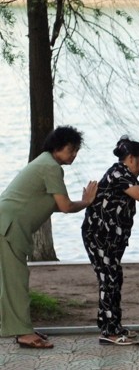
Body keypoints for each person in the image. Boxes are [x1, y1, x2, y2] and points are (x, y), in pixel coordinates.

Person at [0, 126, 97, 349]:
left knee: (11, 280)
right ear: (57, 148)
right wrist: (87, 202)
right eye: (71, 149)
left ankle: (21, 328)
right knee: (15, 281)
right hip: (9, 227)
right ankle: (23, 333)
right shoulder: (51, 167)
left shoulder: (44, 163)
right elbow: (64, 206)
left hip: (8, 225)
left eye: (76, 151)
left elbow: (47, 203)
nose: (74, 155)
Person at [82, 136, 139, 346]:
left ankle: (110, 325)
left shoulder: (124, 175)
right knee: (109, 280)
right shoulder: (118, 173)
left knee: (114, 278)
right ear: (131, 159)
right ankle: (110, 331)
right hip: (99, 236)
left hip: (109, 239)